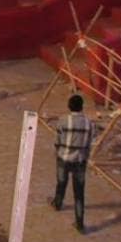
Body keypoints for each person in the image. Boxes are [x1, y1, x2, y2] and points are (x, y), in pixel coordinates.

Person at [49, 94, 96, 234]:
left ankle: (57, 203)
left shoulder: (63, 121)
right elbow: (89, 144)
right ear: (82, 106)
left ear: (69, 106)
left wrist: (58, 152)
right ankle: (80, 222)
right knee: (79, 192)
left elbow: (57, 141)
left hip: (64, 157)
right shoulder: (89, 124)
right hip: (80, 160)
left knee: (61, 182)